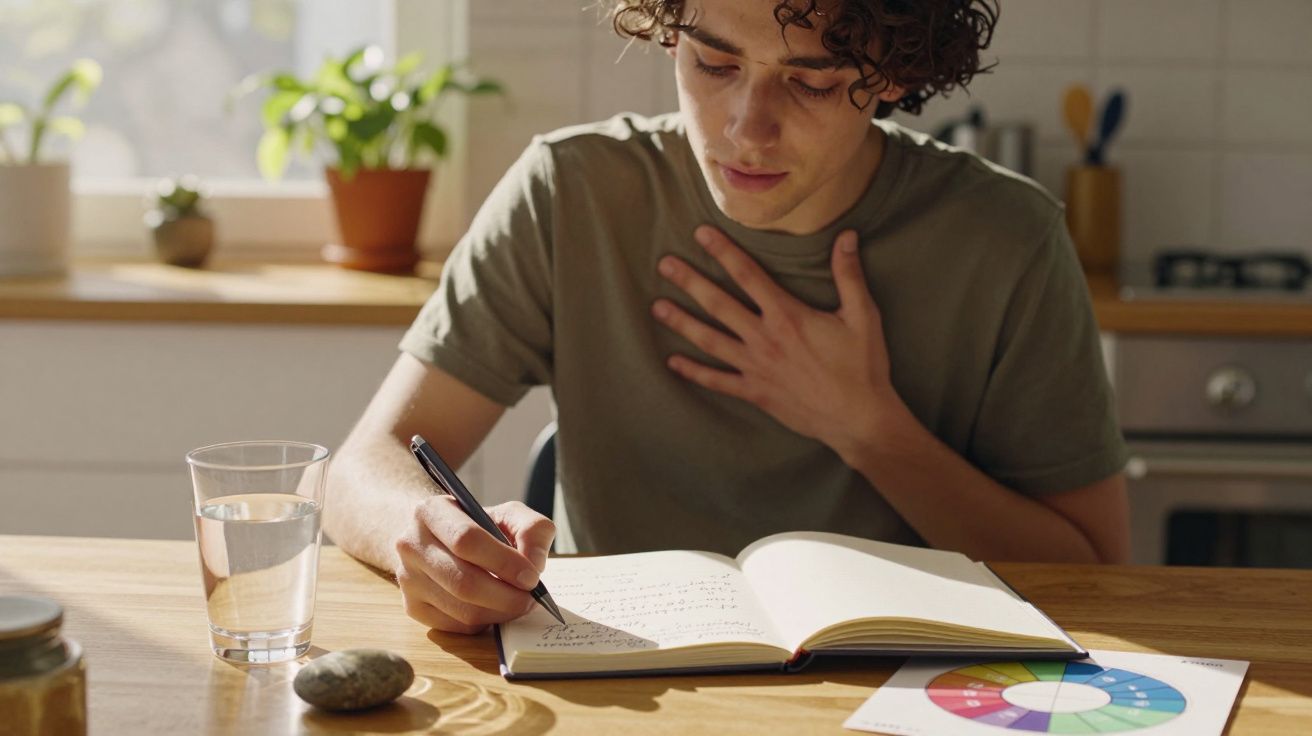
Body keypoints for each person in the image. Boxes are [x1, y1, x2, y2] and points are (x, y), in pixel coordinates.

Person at [324, 0, 1131, 635]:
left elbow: (1096, 570)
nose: (747, 129)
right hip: (625, 688)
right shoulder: (572, 194)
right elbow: (362, 468)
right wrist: (425, 536)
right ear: (670, 33)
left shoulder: (1008, 239)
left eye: (812, 83)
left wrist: (869, 430)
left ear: (893, 72)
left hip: (909, 693)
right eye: (713, 63)